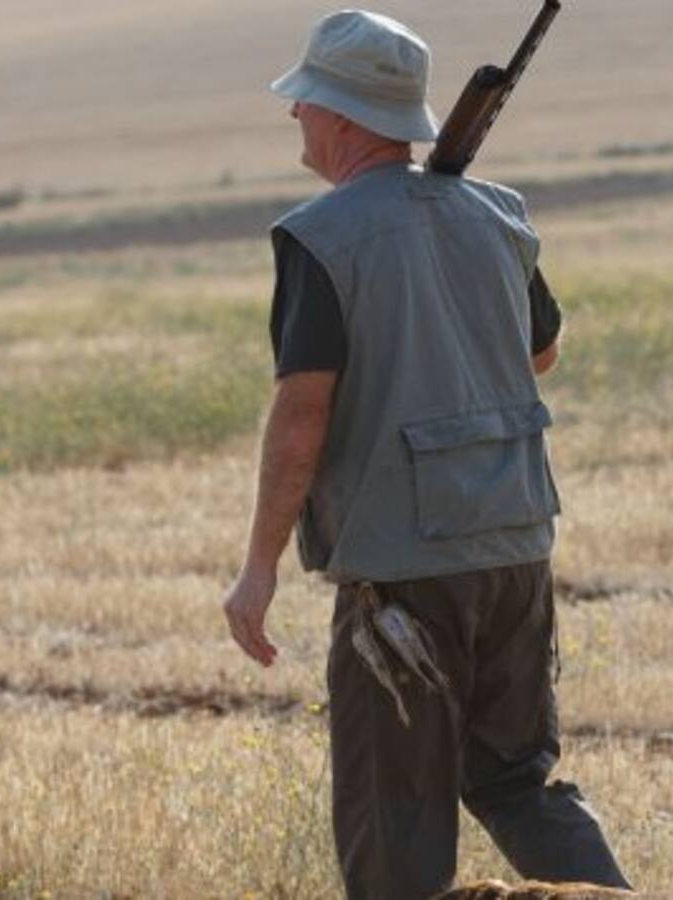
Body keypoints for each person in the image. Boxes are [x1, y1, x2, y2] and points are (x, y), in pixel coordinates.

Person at [219, 10, 632, 900]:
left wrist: (258, 568)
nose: (295, 117)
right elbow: (540, 351)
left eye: (306, 102)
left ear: (340, 116)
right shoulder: (498, 214)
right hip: (517, 545)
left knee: (394, 829)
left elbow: (302, 413)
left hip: (404, 575)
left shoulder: (321, 237)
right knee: (520, 785)